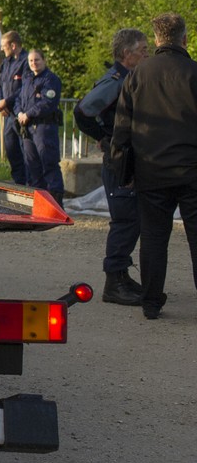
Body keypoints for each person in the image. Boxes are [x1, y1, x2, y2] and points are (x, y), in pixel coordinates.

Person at [110, 12, 197, 321]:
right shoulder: (194, 73)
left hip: (151, 170)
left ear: (157, 40)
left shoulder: (136, 75)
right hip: (191, 169)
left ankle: (151, 302)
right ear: (184, 39)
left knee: (154, 238)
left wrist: (125, 172)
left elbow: (122, 130)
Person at [73, 28, 149, 306]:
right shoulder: (117, 81)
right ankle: (114, 282)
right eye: (142, 49)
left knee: (133, 220)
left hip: (128, 159)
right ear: (127, 54)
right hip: (119, 163)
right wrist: (105, 138)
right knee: (126, 220)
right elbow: (82, 111)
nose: (147, 53)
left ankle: (122, 276)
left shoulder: (130, 78)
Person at [14, 49, 68, 203]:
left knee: (48, 164)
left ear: (44, 60)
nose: (34, 63)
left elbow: (47, 103)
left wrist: (28, 114)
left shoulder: (50, 80)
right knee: (32, 167)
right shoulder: (27, 79)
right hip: (28, 128)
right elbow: (18, 99)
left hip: (44, 128)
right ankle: (38, 204)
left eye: (37, 60)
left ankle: (56, 203)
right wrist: (19, 113)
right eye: (31, 61)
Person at [0, 30, 30, 184]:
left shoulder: (27, 62)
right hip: (8, 115)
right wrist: (0, 102)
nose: (2, 49)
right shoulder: (6, 63)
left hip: (21, 113)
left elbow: (26, 87)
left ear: (13, 45)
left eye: (4, 46)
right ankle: (18, 183)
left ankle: (29, 185)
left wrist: (6, 101)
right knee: (11, 150)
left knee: (25, 152)